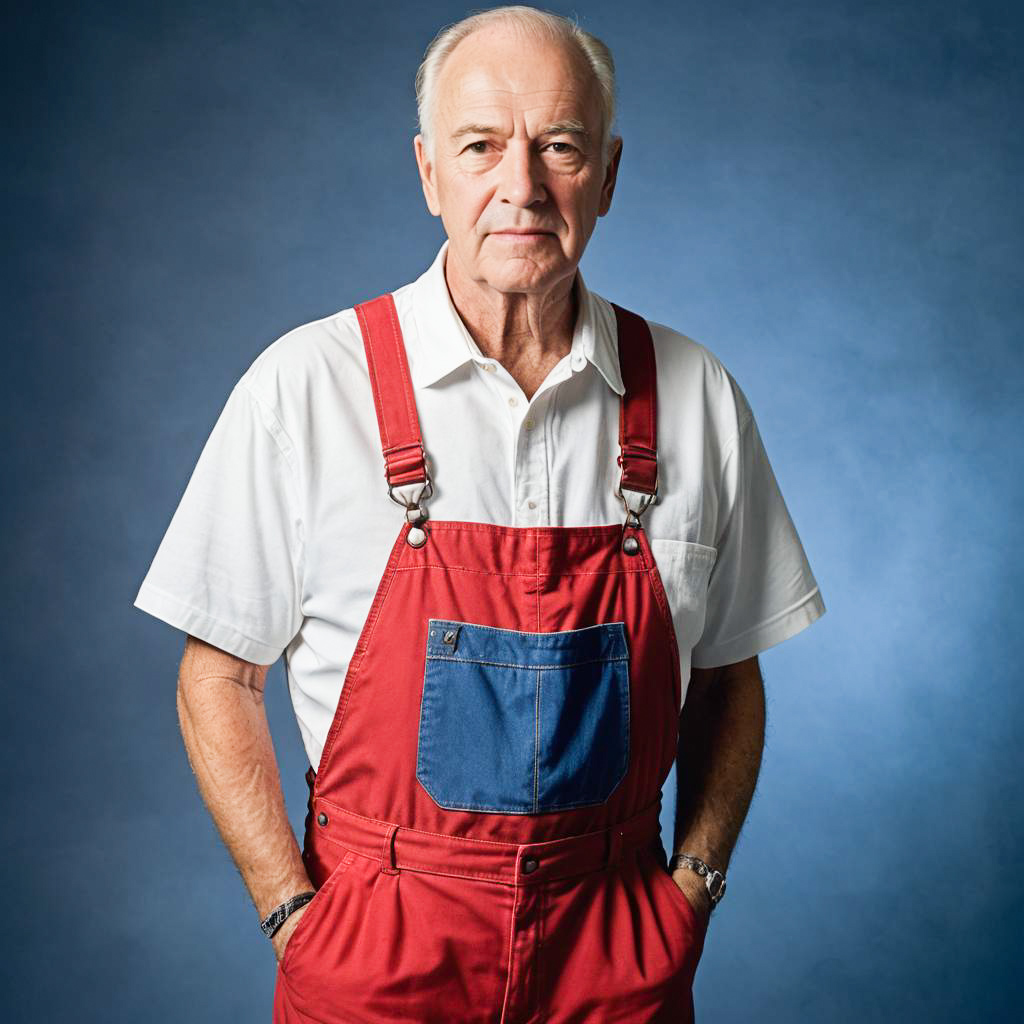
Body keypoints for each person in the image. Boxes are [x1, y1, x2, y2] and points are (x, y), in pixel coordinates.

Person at [134, 6, 826, 1022]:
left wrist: (694, 888)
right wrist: (291, 911)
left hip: (617, 951)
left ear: (609, 172)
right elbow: (218, 676)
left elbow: (730, 673)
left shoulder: (693, 393)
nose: (521, 187)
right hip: (377, 953)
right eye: (480, 147)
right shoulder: (305, 388)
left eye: (559, 146)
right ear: (427, 172)